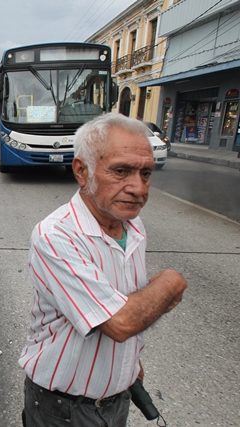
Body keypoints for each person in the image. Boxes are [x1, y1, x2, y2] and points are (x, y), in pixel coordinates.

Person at [19, 112, 187, 427]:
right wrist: (169, 283)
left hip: (117, 398)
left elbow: (127, 298)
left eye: (146, 173)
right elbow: (121, 322)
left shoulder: (133, 227)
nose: (138, 188)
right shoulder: (56, 235)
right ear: (82, 171)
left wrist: (128, 363)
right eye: (121, 171)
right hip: (63, 409)